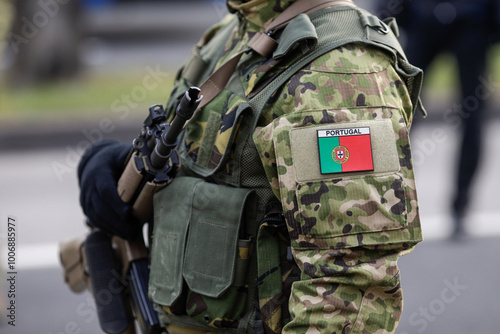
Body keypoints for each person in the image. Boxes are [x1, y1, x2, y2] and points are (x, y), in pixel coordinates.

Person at [77, 0, 424, 333]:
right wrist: (122, 165)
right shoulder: (234, 31)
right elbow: (212, 166)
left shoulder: (339, 72)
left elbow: (348, 289)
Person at [376, 0, 497, 240]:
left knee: (472, 118)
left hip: (473, 23)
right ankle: (390, 201)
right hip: (425, 18)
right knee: (399, 112)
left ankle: (461, 207)